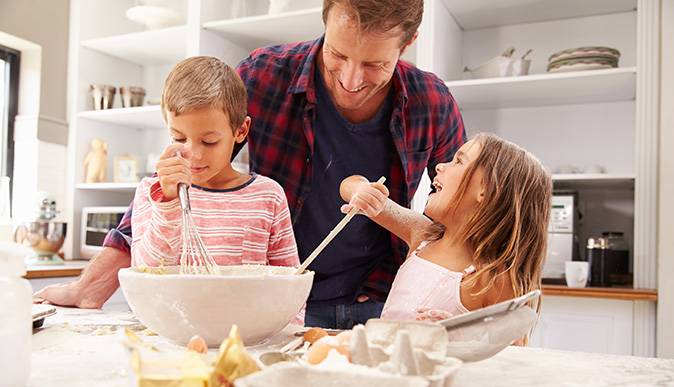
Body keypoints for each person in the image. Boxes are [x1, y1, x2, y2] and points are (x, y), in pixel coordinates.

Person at [34, 0, 467, 328]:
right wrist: (94, 285)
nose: (351, 80)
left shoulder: (432, 103)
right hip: (265, 307)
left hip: (373, 305)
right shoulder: (263, 76)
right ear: (325, 16)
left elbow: (462, 219)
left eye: (375, 64)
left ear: (408, 43)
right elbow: (178, 172)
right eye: (337, 54)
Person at [339, 133, 552, 325]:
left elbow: (512, 358)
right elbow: (349, 186)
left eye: (458, 161)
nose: (440, 166)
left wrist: (461, 338)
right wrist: (361, 190)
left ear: (486, 191)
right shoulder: (422, 235)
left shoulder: (492, 279)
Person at [130, 56, 299, 271]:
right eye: (179, 139)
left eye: (209, 142)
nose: (193, 155)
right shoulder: (152, 193)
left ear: (240, 131)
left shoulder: (268, 196)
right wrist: (168, 205)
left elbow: (289, 285)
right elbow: (144, 275)